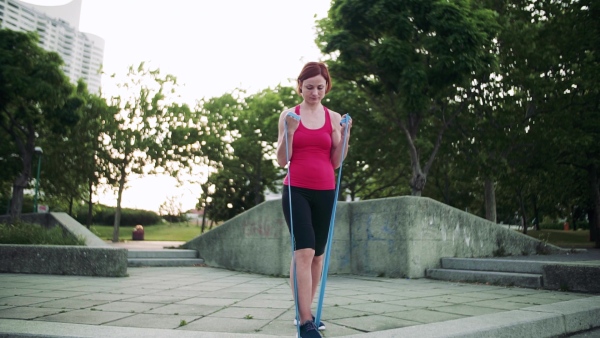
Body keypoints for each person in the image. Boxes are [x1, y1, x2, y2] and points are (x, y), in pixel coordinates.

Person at [276, 61, 352, 338]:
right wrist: (292, 133)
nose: (315, 93)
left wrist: (345, 136)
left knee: (318, 256)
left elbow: (335, 162)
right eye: (309, 87)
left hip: (325, 191)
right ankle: (306, 320)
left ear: (326, 87)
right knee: (303, 252)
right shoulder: (289, 115)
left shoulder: (332, 117)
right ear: (300, 87)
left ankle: (305, 310)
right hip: (296, 189)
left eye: (320, 87)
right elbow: (282, 160)